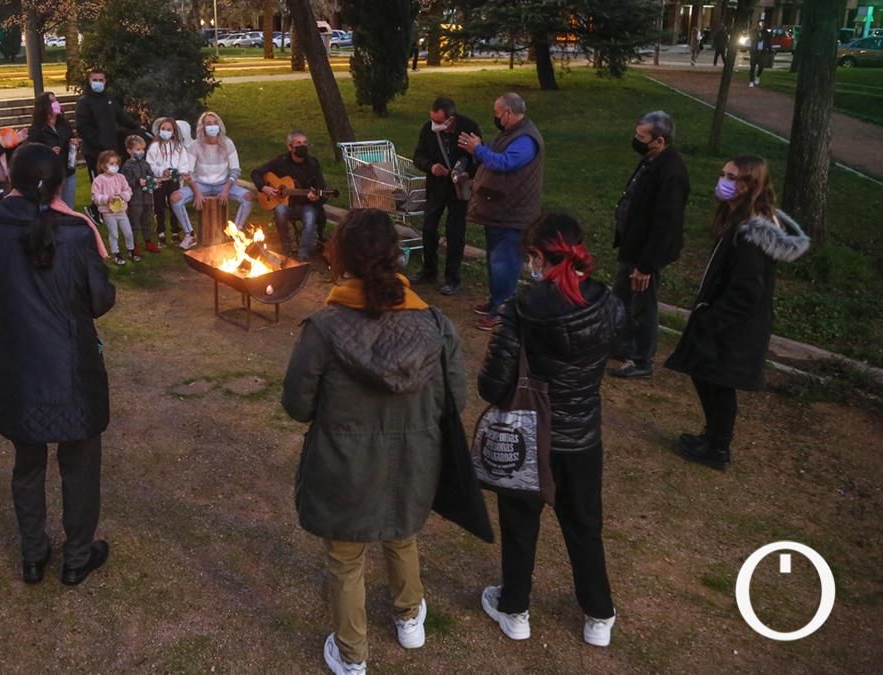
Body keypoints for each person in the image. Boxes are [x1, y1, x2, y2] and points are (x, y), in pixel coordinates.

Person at [282, 208, 463, 675]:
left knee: (346, 557)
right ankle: (409, 617)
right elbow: (454, 399)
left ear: (340, 256)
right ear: (395, 256)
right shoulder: (436, 324)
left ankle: (353, 654)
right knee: (402, 533)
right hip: (412, 458)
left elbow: (298, 404)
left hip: (346, 463)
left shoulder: (325, 328)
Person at [0, 142, 116, 586]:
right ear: (56, 185)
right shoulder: (72, 232)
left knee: (28, 462)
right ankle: (72, 554)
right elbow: (99, 300)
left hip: (17, 365)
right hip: (67, 367)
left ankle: (38, 554)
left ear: (11, 178)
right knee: (79, 464)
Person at [476, 213, 624, 649]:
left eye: (530, 256)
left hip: (529, 434)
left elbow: (492, 384)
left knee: (520, 522)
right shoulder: (608, 303)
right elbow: (619, 343)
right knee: (584, 524)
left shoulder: (521, 308)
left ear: (538, 256)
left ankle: (515, 608)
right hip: (581, 437)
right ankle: (599, 614)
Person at [665, 156, 809, 470]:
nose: (724, 180)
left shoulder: (751, 232)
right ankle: (712, 436)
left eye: (732, 176)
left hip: (734, 324)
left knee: (718, 380)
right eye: (723, 174)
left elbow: (747, 289)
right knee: (706, 375)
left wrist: (713, 320)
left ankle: (718, 448)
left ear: (750, 185)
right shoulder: (736, 219)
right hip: (723, 318)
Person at [608, 111, 690, 380]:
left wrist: (646, 265)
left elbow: (665, 224)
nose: (636, 139)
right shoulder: (651, 160)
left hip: (645, 254)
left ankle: (642, 358)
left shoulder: (671, 173)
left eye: (642, 137)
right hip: (633, 246)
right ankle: (621, 346)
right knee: (622, 298)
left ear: (660, 141)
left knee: (643, 305)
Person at [457, 92, 545, 331]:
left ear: (508, 113)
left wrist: (478, 149)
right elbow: (494, 162)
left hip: (513, 214)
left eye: (497, 113)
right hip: (499, 210)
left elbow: (505, 163)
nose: (495, 117)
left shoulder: (526, 139)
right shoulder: (511, 133)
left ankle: (502, 312)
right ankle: (496, 302)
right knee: (496, 260)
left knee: (505, 263)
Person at [411, 96, 482, 295]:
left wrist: (468, 173)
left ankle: (452, 278)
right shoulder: (428, 130)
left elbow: (478, 156)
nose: (435, 125)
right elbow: (418, 156)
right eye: (433, 120)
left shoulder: (469, 127)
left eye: (439, 122)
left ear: (451, 119)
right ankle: (429, 270)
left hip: (459, 189)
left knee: (455, 232)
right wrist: (431, 166)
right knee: (428, 227)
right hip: (436, 186)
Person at [170, 111, 253, 246]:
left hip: (223, 184)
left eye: (215, 123)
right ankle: (190, 234)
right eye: (208, 123)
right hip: (201, 184)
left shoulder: (228, 143)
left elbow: (235, 170)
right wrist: (197, 192)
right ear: (202, 126)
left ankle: (236, 233)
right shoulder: (195, 145)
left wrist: (226, 189)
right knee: (175, 198)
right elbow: (188, 172)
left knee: (248, 197)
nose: (212, 126)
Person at [250, 129, 328, 262]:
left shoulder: (312, 164)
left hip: (306, 205)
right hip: (286, 205)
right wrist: (264, 187)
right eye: (298, 143)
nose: (302, 146)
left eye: (304, 143)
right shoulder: (281, 161)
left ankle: (303, 254)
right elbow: (256, 173)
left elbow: (322, 188)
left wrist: (317, 197)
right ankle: (287, 249)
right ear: (290, 147)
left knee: (310, 217)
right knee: (280, 210)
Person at [75, 69, 144, 178]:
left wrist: (137, 127)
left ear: (105, 81)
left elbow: (122, 117)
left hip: (112, 148)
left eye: (101, 80)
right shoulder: (84, 102)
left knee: (115, 180)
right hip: (94, 152)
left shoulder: (109, 98)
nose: (98, 82)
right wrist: (98, 143)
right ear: (89, 81)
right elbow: (82, 127)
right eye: (95, 80)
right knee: (99, 182)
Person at [27, 91, 80, 208]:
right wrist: (48, 151)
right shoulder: (37, 129)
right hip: (49, 174)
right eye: (52, 101)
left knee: (67, 205)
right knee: (50, 205)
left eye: (56, 101)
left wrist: (74, 143)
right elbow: (30, 151)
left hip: (67, 170)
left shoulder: (64, 124)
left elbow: (71, 138)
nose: (56, 104)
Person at [147, 117, 191, 248]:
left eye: (169, 129)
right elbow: (150, 164)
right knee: (159, 206)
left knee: (174, 205)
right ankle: (160, 232)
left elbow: (184, 163)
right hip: (159, 181)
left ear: (174, 132)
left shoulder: (178, 147)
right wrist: (161, 171)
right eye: (163, 129)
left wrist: (179, 172)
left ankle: (175, 231)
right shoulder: (154, 147)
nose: (165, 131)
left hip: (173, 181)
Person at [91, 150, 139, 265]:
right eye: (111, 164)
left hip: (121, 211)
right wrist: (106, 198)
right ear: (103, 165)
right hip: (108, 213)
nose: (114, 166)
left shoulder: (121, 177)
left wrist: (123, 196)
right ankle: (116, 253)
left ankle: (131, 250)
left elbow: (128, 190)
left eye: (116, 163)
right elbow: (94, 196)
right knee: (114, 233)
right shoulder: (99, 180)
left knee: (128, 232)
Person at [120, 135, 155, 255]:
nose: (141, 152)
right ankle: (133, 244)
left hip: (147, 198)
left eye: (142, 149)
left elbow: (151, 175)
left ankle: (148, 242)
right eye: (138, 149)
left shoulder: (145, 164)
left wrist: (153, 182)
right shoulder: (127, 166)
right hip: (135, 199)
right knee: (134, 222)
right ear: (129, 150)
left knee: (147, 221)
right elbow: (125, 182)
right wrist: (136, 182)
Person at [748, 22, 768, 87]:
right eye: (759, 26)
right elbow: (753, 39)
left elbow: (767, 41)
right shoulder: (753, 32)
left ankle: (757, 76)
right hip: (754, 52)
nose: (760, 27)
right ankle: (751, 81)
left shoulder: (765, 32)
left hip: (762, 53)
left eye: (762, 25)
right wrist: (758, 35)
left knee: (761, 67)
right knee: (752, 67)